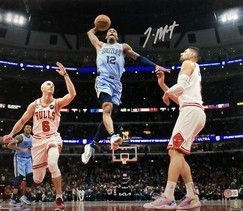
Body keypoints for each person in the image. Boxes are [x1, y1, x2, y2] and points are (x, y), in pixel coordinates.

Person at [81, 27, 170, 164]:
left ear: (117, 37)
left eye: (114, 31)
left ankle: (92, 145)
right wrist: (98, 27)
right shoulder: (100, 45)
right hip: (103, 79)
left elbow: (138, 57)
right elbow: (89, 33)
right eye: (109, 31)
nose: (111, 32)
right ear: (105, 36)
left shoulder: (123, 47)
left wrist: (154, 66)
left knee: (109, 117)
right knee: (107, 108)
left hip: (117, 83)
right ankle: (113, 136)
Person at [3, 61, 76, 210]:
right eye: (49, 84)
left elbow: (72, 94)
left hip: (53, 138)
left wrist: (66, 75)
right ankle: (45, 167)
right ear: (42, 88)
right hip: (37, 143)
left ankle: (59, 198)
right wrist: (11, 134)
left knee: (53, 163)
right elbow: (23, 120)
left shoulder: (57, 103)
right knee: (37, 179)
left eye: (53, 85)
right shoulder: (34, 105)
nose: (52, 86)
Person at [143, 47, 206, 210]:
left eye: (185, 51)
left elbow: (180, 86)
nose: (181, 54)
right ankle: (192, 196)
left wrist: (167, 93)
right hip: (195, 112)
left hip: (190, 112)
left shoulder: (188, 63)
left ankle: (168, 197)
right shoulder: (195, 71)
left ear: (192, 55)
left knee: (173, 151)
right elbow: (179, 99)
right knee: (179, 154)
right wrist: (163, 85)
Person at [7, 124, 33, 206]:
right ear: (24, 129)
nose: (29, 129)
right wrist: (21, 149)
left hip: (29, 159)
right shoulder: (20, 137)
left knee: (30, 178)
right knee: (19, 179)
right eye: (27, 127)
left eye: (30, 128)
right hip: (19, 159)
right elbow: (9, 145)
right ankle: (13, 199)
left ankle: (26, 197)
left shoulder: (33, 138)